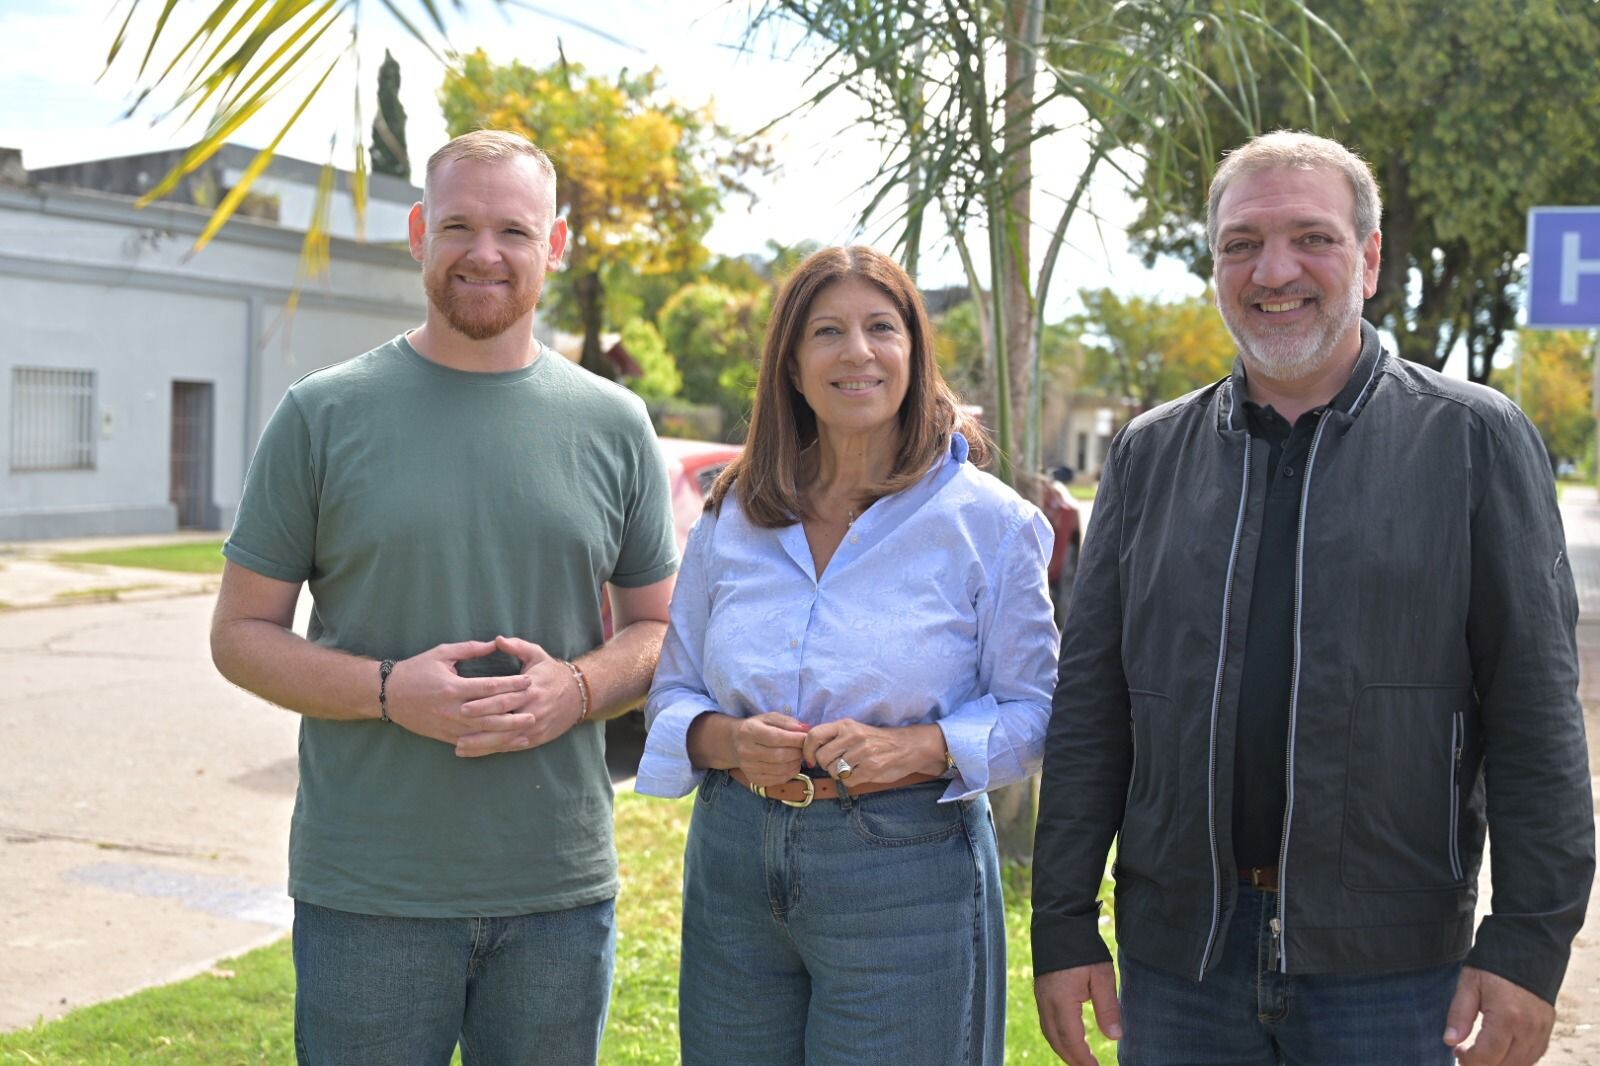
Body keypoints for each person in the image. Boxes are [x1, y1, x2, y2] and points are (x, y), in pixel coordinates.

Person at [1031, 130, 1594, 1066]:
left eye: (1313, 238)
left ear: (1369, 260)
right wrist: (1062, 924)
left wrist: (1529, 945)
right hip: (1180, 967)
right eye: (1240, 244)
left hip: (1395, 975)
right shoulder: (1148, 455)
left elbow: (1536, 716)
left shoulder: (1473, 441)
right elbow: (1092, 710)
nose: (1273, 270)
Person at [210, 129, 678, 1065]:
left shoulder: (616, 423)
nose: (484, 252)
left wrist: (577, 690)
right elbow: (240, 634)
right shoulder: (322, 413)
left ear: (556, 246)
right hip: (369, 892)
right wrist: (389, 691)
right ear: (420, 231)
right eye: (458, 224)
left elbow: (661, 628)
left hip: (557, 889)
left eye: (514, 229)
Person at [635, 245, 1059, 1065]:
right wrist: (726, 742)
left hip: (906, 875)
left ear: (913, 353)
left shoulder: (990, 525)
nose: (856, 352)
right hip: (732, 864)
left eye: (880, 328)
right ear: (792, 366)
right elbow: (675, 688)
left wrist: (915, 749)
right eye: (827, 331)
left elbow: (1037, 710)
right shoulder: (734, 513)